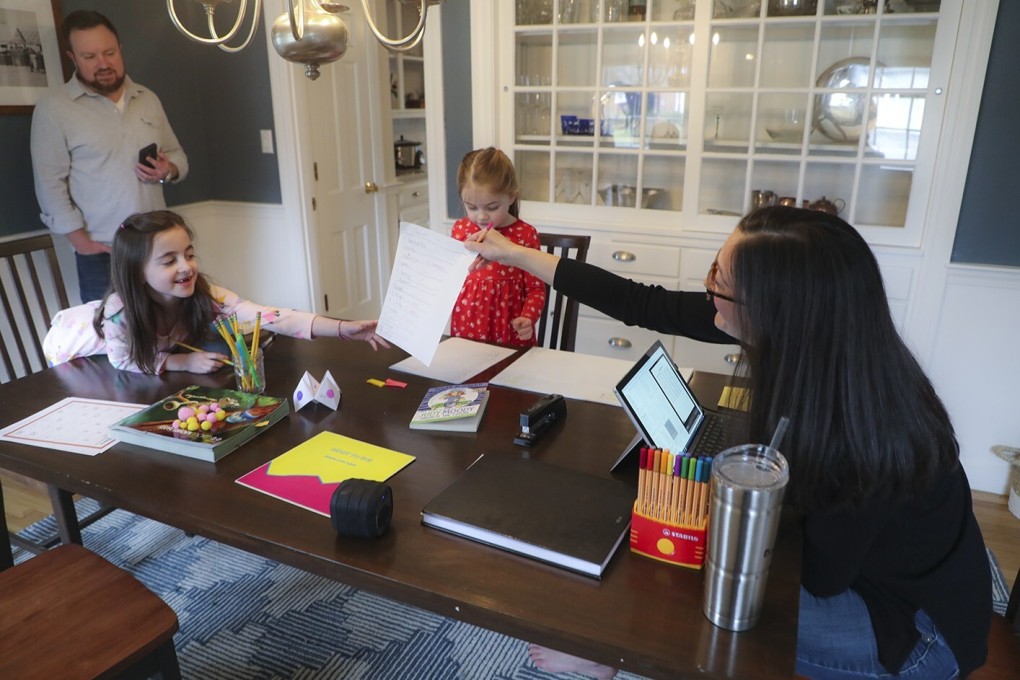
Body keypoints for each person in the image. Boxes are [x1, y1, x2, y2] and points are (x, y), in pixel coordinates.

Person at [465, 206, 992, 679]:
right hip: (880, 571)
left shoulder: (858, 427)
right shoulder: (810, 337)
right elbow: (638, 301)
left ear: (772, 307)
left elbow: (814, 576)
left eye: (719, 280)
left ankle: (615, 651)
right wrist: (517, 254)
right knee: (682, 544)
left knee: (700, 578)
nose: (708, 289)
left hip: (911, 631)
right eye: (715, 269)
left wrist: (720, 510)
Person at [43, 210, 388, 375]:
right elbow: (122, 360)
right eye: (169, 260)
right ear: (137, 272)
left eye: (189, 254)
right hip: (75, 348)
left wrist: (343, 328)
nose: (186, 267)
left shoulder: (202, 294)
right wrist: (178, 362)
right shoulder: (119, 313)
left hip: (142, 349)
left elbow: (271, 317)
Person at [31, 10, 189, 303]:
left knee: (170, 324)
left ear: (120, 49)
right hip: (103, 251)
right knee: (109, 330)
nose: (103, 63)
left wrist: (168, 169)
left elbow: (177, 155)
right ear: (72, 57)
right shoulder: (54, 108)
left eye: (109, 52)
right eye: (89, 56)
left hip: (159, 246)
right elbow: (49, 184)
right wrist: (81, 242)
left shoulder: (147, 98)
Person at [449, 147, 546, 347]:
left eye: (492, 207)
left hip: (509, 333)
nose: (481, 216)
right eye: (471, 207)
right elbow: (449, 280)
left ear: (511, 197)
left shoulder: (525, 234)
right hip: (466, 332)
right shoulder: (460, 229)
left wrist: (528, 318)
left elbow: (536, 288)